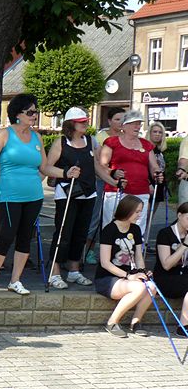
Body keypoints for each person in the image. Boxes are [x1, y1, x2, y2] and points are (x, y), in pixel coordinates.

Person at [0, 93, 80, 297]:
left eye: (35, 112)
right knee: (5, 236)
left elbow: (45, 167)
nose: (35, 115)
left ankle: (15, 280)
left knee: (24, 238)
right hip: (10, 195)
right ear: (18, 114)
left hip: (34, 195)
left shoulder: (37, 137)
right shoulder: (4, 134)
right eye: (30, 112)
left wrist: (66, 173)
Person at [45, 107, 110, 289]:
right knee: (63, 233)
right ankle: (55, 272)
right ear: (71, 124)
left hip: (88, 193)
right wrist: (66, 173)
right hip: (67, 193)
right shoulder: (61, 142)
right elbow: (47, 167)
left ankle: (74, 270)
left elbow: (97, 166)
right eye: (81, 121)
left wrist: (113, 180)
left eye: (86, 121)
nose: (85, 124)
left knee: (81, 233)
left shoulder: (90, 141)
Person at [94, 195, 152, 338]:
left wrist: (142, 272)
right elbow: (105, 263)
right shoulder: (109, 230)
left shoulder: (135, 229)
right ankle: (112, 322)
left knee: (151, 286)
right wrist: (128, 276)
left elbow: (138, 256)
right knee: (139, 287)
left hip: (128, 276)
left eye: (141, 211)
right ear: (127, 210)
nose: (139, 215)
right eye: (137, 212)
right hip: (107, 278)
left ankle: (136, 322)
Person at [99, 110, 162, 229]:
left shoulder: (146, 144)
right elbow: (102, 165)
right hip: (117, 189)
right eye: (134, 123)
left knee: (138, 225)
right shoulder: (112, 142)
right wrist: (112, 172)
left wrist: (157, 173)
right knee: (112, 223)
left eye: (139, 123)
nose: (138, 126)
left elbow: (154, 166)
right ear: (124, 126)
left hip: (141, 190)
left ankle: (136, 242)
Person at [85, 107, 125, 264]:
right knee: (96, 217)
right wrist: (111, 173)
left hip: (120, 183)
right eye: (117, 119)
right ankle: (88, 250)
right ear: (109, 121)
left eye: (123, 119)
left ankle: (114, 250)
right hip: (101, 181)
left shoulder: (126, 137)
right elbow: (98, 162)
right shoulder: (101, 137)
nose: (121, 122)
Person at [153, 201, 188, 336]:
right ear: (179, 215)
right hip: (166, 278)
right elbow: (166, 265)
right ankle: (183, 326)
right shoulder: (165, 234)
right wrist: (184, 245)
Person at [146, 121, 168, 243]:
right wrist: (148, 183)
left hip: (159, 185)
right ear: (149, 133)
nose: (157, 134)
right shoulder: (145, 149)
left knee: (150, 217)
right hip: (148, 184)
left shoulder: (160, 151)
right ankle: (140, 241)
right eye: (155, 132)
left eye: (160, 132)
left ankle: (145, 241)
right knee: (144, 215)